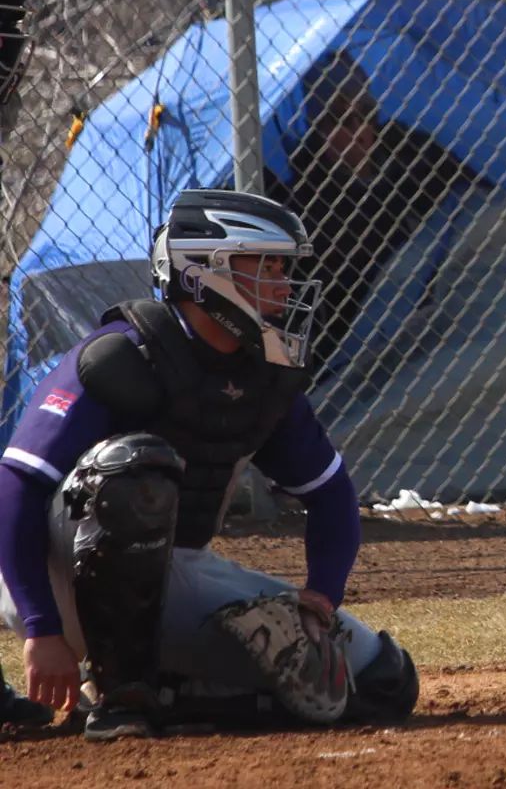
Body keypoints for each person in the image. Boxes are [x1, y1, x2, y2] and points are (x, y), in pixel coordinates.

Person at [0, 189, 418, 739]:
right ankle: (122, 699)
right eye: (266, 265)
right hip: (52, 577)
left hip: (173, 571)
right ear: (202, 272)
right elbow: (16, 488)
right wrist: (42, 628)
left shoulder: (263, 373)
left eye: (285, 268)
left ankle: (165, 694)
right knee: (136, 469)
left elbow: (331, 492)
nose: (285, 285)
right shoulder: (119, 357)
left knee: (380, 681)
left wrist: (323, 594)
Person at [269, 55, 485, 367]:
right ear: (319, 126)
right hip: (371, 330)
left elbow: (471, 195)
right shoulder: (307, 198)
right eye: (341, 118)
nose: (359, 129)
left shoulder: (407, 151)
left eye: (367, 113)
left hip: (445, 292)